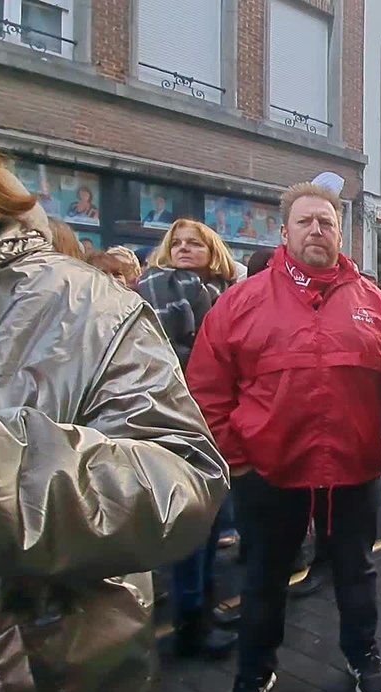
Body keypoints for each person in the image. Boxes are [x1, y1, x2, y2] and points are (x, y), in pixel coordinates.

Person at [0, 7, 228, 692]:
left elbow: (183, 477)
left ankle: (202, 619)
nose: (184, 254)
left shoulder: (88, 303)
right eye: (178, 245)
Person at [186, 181, 381, 692]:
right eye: (305, 221)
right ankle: (254, 673)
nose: (317, 230)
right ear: (284, 232)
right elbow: (206, 389)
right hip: (269, 471)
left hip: (354, 468)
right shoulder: (241, 302)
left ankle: (361, 654)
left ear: (340, 233)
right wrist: (237, 459)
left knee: (356, 571)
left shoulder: (375, 304)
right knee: (263, 578)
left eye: (327, 222)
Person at [136, 219, 239, 659]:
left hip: (215, 422)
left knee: (210, 523)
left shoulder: (219, 292)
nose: (183, 248)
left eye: (194, 243)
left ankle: (205, 607)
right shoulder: (160, 287)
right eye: (176, 242)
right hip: (178, 421)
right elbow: (162, 355)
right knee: (192, 526)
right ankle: (190, 623)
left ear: (213, 251)